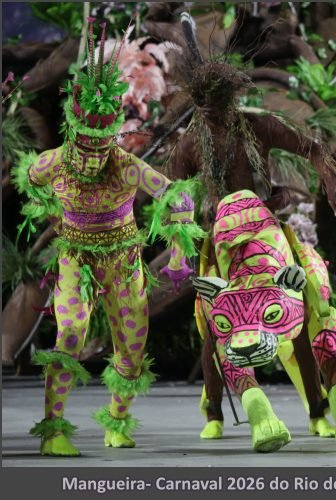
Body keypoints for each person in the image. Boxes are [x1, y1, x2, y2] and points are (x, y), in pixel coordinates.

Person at [13, 18, 204, 456]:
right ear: (74, 132)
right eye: (86, 143)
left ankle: (116, 422)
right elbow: (30, 180)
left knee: (132, 348)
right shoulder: (53, 163)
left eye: (102, 144)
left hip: (122, 260)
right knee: (70, 335)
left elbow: (178, 196)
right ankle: (53, 431)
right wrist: (51, 211)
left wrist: (179, 247)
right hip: (75, 258)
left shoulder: (127, 166)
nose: (94, 154)